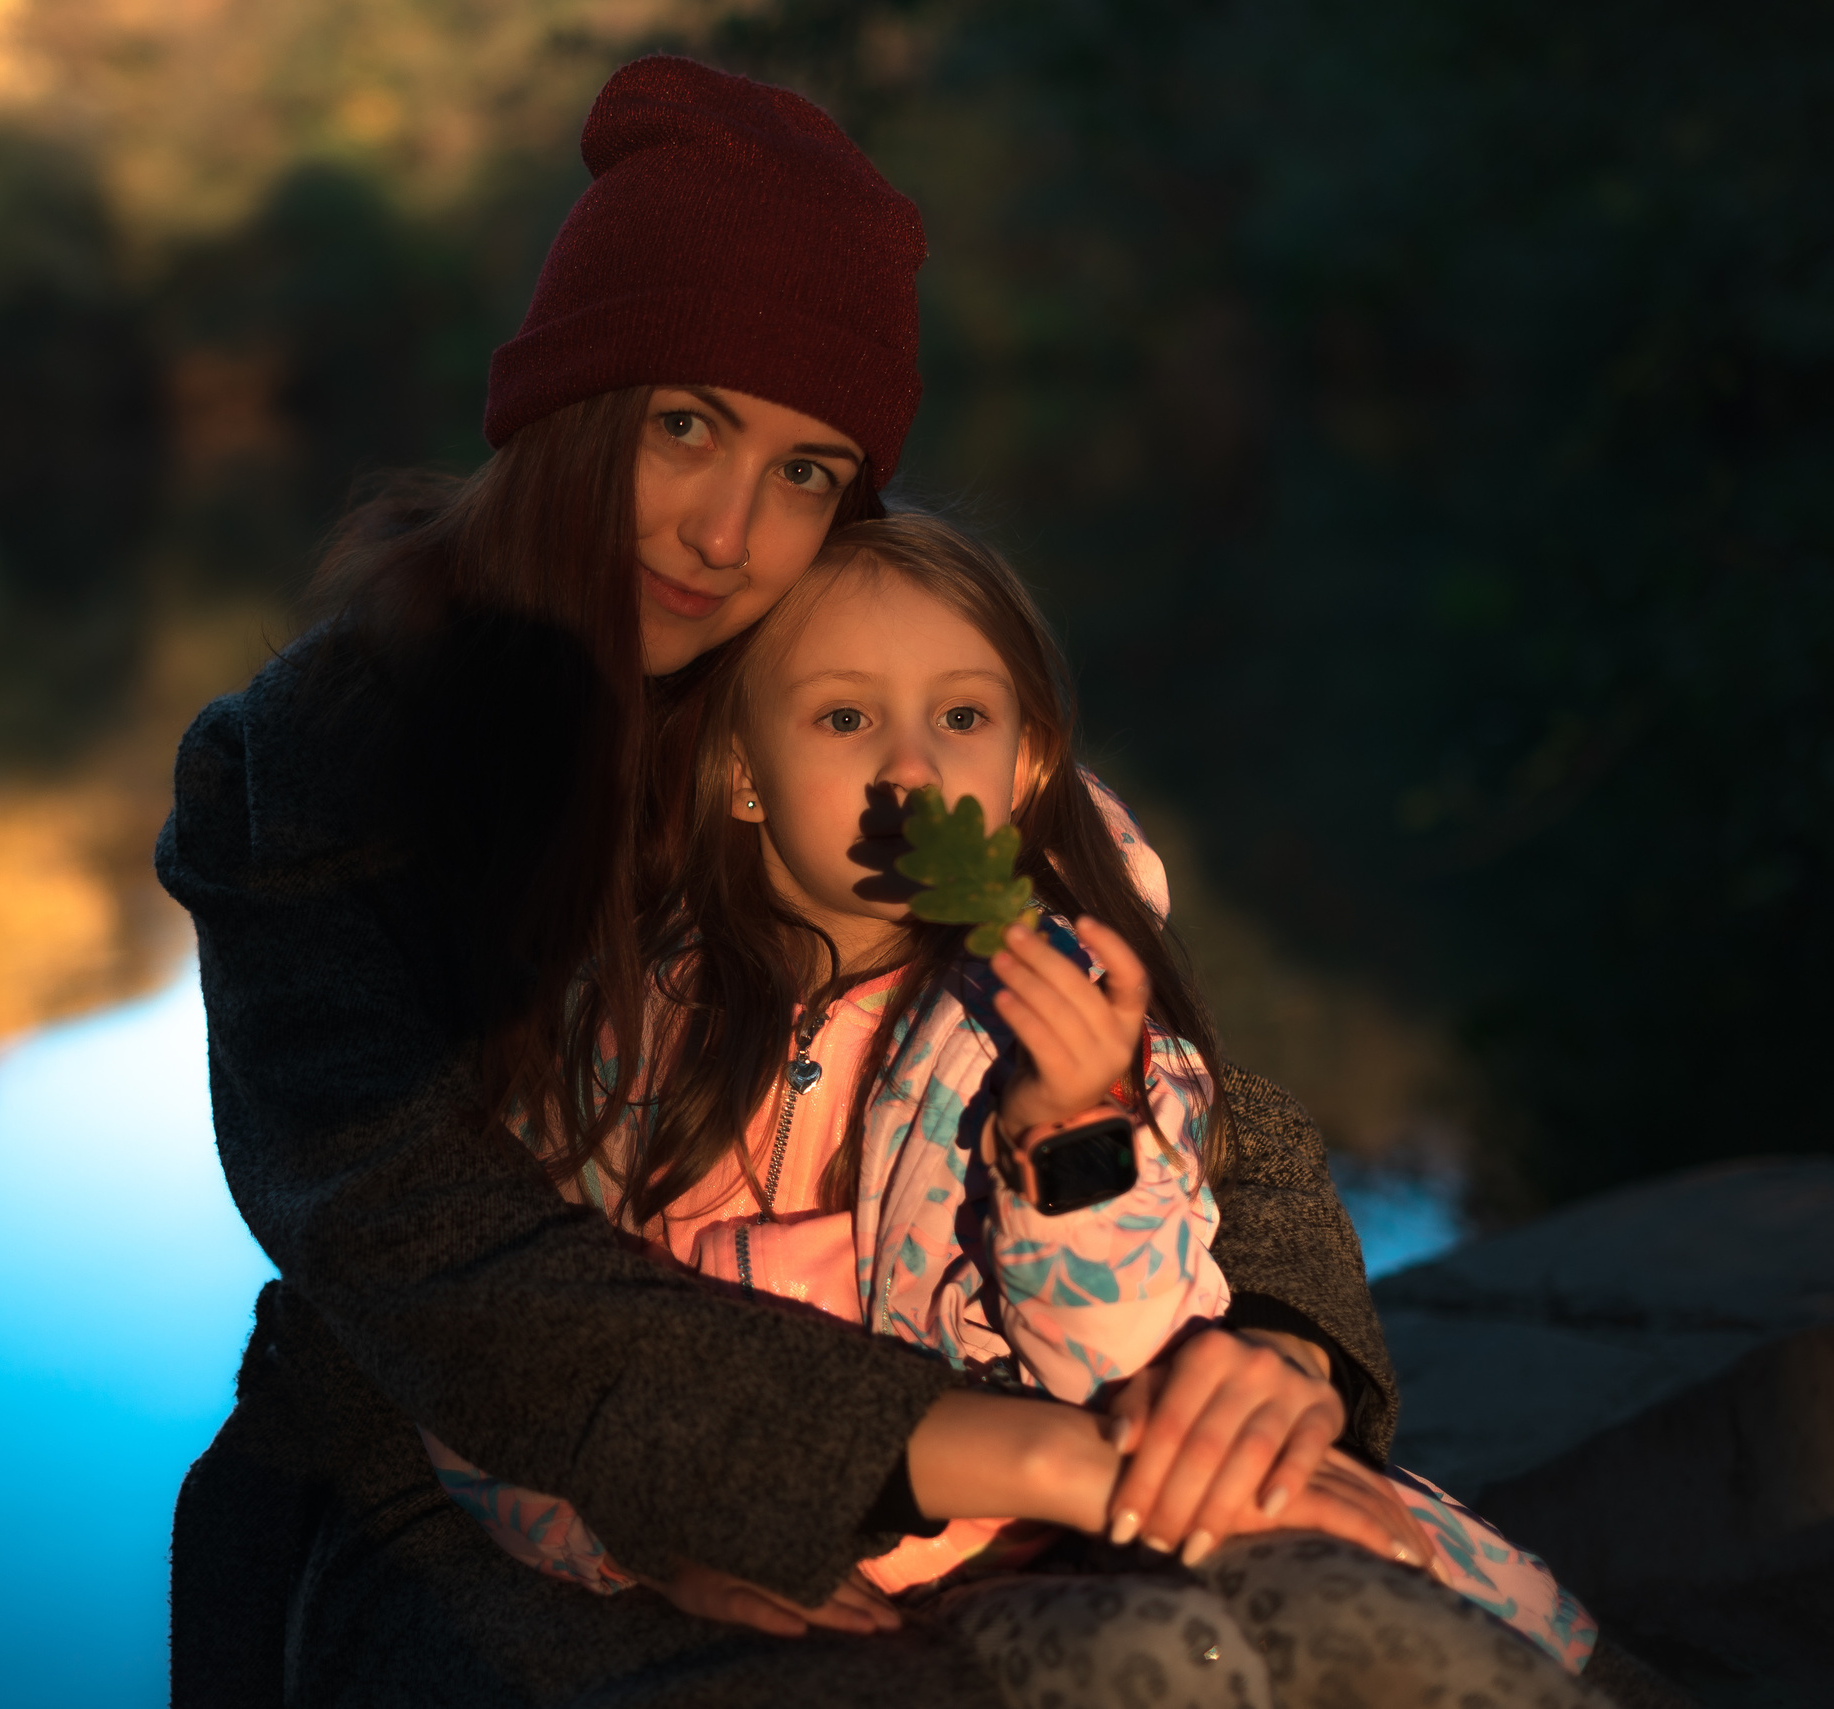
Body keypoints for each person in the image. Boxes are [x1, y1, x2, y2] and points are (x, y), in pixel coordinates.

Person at [158, 53, 1628, 1708]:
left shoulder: (857, 677)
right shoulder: (311, 770)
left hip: (969, 1417)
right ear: (567, 403)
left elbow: (1162, 1060)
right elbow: (444, 1265)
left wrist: (1270, 1347)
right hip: (456, 1484)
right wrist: (1035, 1460)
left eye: (805, 470)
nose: (727, 532)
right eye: (685, 427)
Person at [417, 516, 1602, 1703]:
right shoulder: (610, 1041)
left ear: (1027, 762)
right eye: (844, 718)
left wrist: (1075, 1131)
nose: (912, 768)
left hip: (1100, 1533)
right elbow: (507, 1366)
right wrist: (658, 1543)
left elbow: (1131, 1359)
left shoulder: (1053, 1017)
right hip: (854, 1599)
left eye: (962, 718)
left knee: (1319, 1614)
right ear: (735, 769)